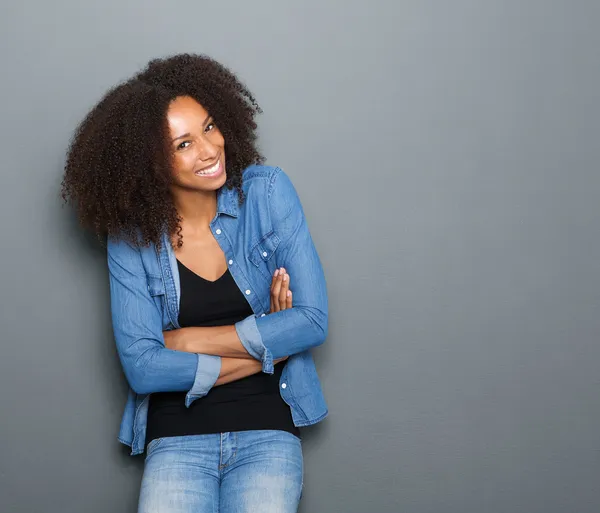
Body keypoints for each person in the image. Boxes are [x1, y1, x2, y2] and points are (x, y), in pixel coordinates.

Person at [61, 53, 328, 513]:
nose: (208, 149)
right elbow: (143, 369)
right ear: (150, 163)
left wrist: (185, 342)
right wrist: (269, 349)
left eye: (208, 127)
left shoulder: (266, 193)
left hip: (267, 429)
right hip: (177, 438)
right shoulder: (131, 236)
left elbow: (312, 321)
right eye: (182, 144)